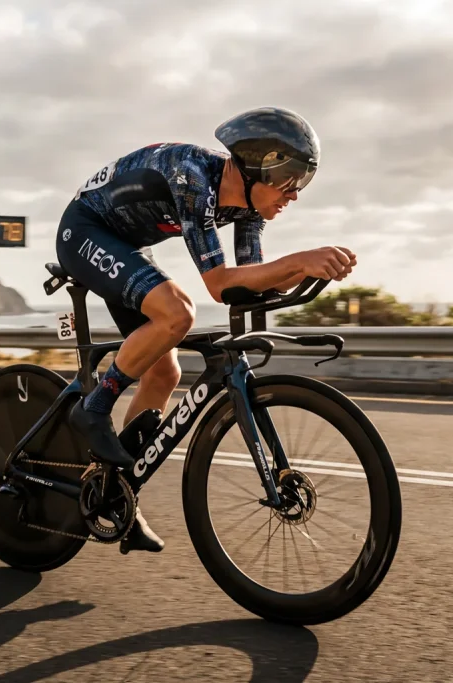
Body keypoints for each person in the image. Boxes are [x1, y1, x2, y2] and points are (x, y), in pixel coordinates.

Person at [54, 106, 357, 554]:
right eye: (290, 179)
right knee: (178, 313)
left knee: (165, 373)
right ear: (258, 167)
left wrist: (306, 273)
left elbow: (248, 281)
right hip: (85, 230)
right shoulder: (192, 176)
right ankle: (93, 408)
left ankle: (118, 494)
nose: (295, 194)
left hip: (125, 243)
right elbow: (218, 285)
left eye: (303, 182)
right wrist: (299, 261)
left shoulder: (249, 209)